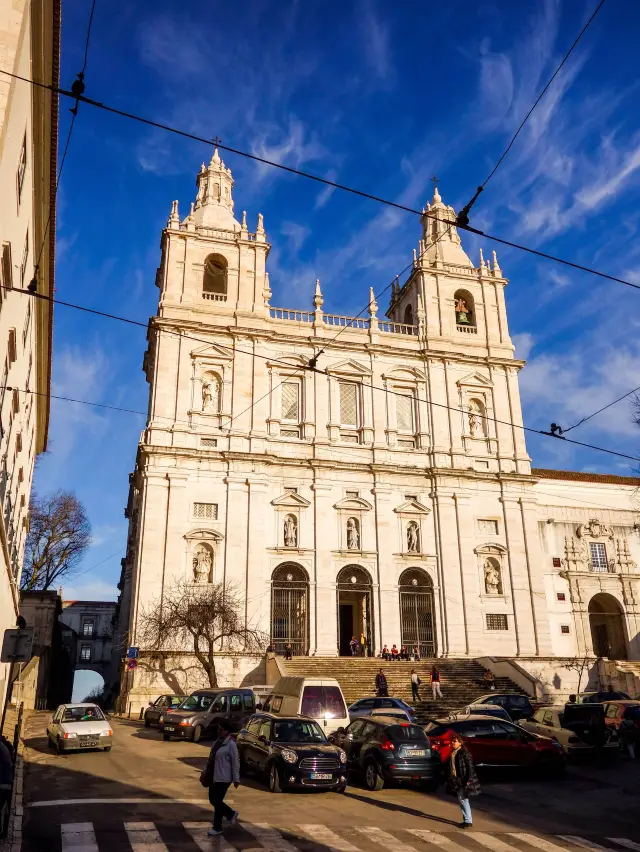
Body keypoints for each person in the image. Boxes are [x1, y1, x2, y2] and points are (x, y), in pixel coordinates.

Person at [200, 720, 240, 837]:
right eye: (218, 729)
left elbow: (235, 763)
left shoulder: (231, 745)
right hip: (213, 776)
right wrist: (204, 772)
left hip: (224, 778)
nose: (219, 731)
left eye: (221, 729)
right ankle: (230, 813)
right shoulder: (217, 742)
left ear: (227, 731)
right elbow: (210, 760)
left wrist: (236, 779)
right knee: (213, 800)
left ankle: (217, 827)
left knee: (217, 802)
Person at [445, 733, 480, 828]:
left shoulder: (464, 752)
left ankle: (468, 821)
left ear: (460, 742)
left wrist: (468, 780)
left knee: (463, 799)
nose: (453, 743)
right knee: (462, 800)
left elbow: (470, 767)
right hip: (455, 779)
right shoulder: (453, 752)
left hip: (462, 779)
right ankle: (467, 820)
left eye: (455, 741)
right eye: (452, 741)